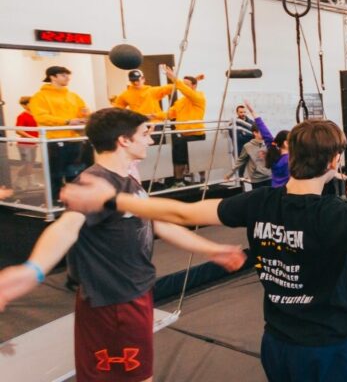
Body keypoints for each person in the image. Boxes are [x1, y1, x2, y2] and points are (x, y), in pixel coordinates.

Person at [60, 117, 347, 381]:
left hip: (277, 344)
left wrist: (115, 200)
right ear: (335, 160)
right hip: (325, 348)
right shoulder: (330, 214)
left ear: (290, 157)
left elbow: (182, 212)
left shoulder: (258, 202)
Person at [0, 108, 245, 382]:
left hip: (131, 294)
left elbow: (159, 224)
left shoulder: (128, 181)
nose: (150, 141)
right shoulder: (95, 183)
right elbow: (67, 227)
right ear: (123, 140)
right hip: (114, 302)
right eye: (144, 134)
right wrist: (33, 270)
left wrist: (212, 250)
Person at [29, 65, 89, 201]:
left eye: (68, 75)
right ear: (52, 77)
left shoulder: (73, 96)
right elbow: (41, 117)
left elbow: (83, 111)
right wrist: (67, 121)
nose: (67, 78)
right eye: (63, 75)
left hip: (75, 139)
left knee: (75, 172)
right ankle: (56, 200)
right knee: (56, 173)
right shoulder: (40, 97)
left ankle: (75, 199)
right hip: (54, 141)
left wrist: (84, 116)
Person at [164, 66, 206, 185]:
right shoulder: (180, 102)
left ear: (194, 86)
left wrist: (174, 79)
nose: (184, 87)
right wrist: (152, 116)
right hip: (181, 135)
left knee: (199, 160)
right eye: (183, 84)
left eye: (187, 84)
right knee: (179, 160)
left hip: (196, 135)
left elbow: (186, 91)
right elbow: (170, 113)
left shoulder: (199, 97)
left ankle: (203, 182)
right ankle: (179, 181)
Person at [244, 101, 290, 188]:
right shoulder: (290, 159)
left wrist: (253, 112)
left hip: (274, 189)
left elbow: (264, 131)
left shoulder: (273, 150)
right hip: (286, 193)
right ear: (286, 143)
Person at [229, 124, 272, 190]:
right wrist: (230, 173)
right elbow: (240, 161)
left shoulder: (269, 144)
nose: (264, 133)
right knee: (258, 199)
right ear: (255, 133)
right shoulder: (247, 146)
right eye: (261, 132)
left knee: (271, 198)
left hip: (269, 177)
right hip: (256, 179)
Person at [16, 96, 39, 186]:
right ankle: (32, 183)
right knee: (28, 164)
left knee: (29, 164)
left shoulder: (36, 115)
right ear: (24, 105)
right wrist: (31, 137)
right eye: (30, 103)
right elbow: (18, 130)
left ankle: (17, 182)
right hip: (24, 145)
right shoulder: (22, 116)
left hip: (33, 144)